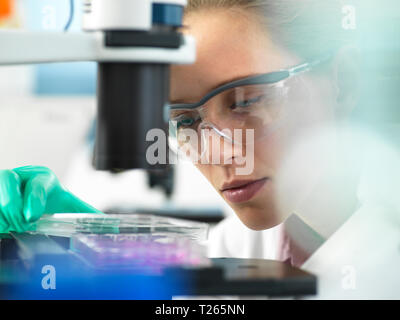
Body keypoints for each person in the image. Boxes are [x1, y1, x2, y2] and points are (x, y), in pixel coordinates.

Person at [0, 0, 360, 265]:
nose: (216, 153)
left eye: (247, 102)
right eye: (185, 122)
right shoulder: (251, 247)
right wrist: (73, 244)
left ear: (343, 80)